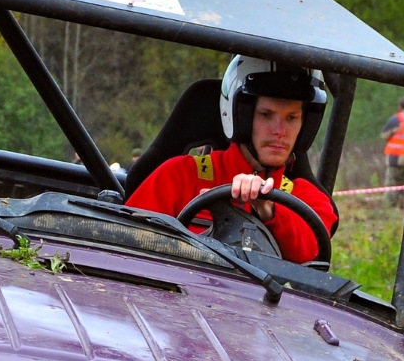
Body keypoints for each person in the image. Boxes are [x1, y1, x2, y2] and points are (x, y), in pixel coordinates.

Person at [127, 58, 338, 265]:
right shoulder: (178, 175)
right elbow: (124, 245)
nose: (280, 132)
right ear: (241, 117)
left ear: (305, 125)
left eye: (291, 118)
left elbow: (313, 254)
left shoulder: (309, 200)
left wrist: (269, 208)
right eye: (266, 115)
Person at [381, 95, 404, 202]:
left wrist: (392, 132)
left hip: (397, 157)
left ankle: (391, 204)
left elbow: (384, 135)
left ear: (400, 106)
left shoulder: (397, 118)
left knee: (392, 183)